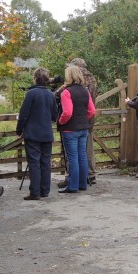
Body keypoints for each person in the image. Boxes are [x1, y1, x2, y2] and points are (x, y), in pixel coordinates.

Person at [16, 67, 59, 200]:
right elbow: (55, 115)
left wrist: (19, 130)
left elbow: (23, 114)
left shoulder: (31, 94)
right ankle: (44, 191)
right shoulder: (51, 95)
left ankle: (35, 192)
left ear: (35, 78)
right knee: (45, 162)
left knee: (34, 162)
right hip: (46, 133)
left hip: (33, 133)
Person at [57, 57, 98, 187]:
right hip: (86, 122)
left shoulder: (69, 88)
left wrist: (61, 121)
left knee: (72, 155)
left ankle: (72, 180)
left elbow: (60, 101)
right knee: (86, 152)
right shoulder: (92, 80)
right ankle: (88, 177)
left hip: (71, 123)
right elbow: (91, 107)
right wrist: (84, 119)